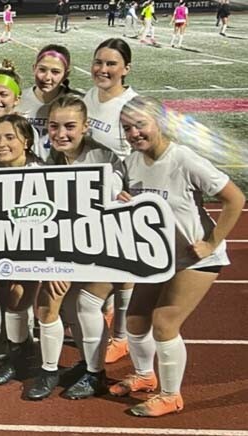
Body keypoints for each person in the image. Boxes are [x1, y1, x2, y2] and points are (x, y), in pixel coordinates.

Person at [111, 96, 244, 416]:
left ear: (160, 122)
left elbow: (234, 199)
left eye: (140, 125)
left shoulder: (184, 158)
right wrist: (121, 197)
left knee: (164, 322)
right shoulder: (131, 163)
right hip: (158, 258)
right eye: (127, 128)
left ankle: (171, 395)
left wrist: (211, 243)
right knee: (134, 319)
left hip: (196, 259)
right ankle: (144, 375)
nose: (134, 133)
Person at [24, 95, 122, 401]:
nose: (60, 133)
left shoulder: (103, 159)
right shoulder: (51, 157)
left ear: (86, 127)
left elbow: (108, 206)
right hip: (69, 246)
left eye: (69, 126)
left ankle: (96, 375)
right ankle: (61, 368)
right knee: (54, 303)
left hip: (106, 247)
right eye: (54, 126)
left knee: (85, 304)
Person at [83, 38, 138, 365]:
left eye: (111, 64)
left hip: (118, 197)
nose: (103, 69)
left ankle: (121, 336)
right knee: (99, 264)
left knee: (122, 268)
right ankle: (108, 319)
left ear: (125, 69)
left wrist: (134, 193)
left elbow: (142, 152)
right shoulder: (86, 98)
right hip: (87, 196)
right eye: (98, 62)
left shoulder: (132, 105)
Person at [0, 114, 43, 385]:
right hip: (3, 247)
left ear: (26, 142)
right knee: (9, 296)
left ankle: (26, 360)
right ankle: (19, 351)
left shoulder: (42, 172)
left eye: (10, 137)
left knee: (20, 298)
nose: (2, 143)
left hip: (38, 250)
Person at [16, 45, 80, 161]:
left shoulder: (76, 103)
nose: (47, 77)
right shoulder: (18, 100)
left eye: (55, 72)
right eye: (42, 70)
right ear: (34, 68)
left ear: (66, 74)